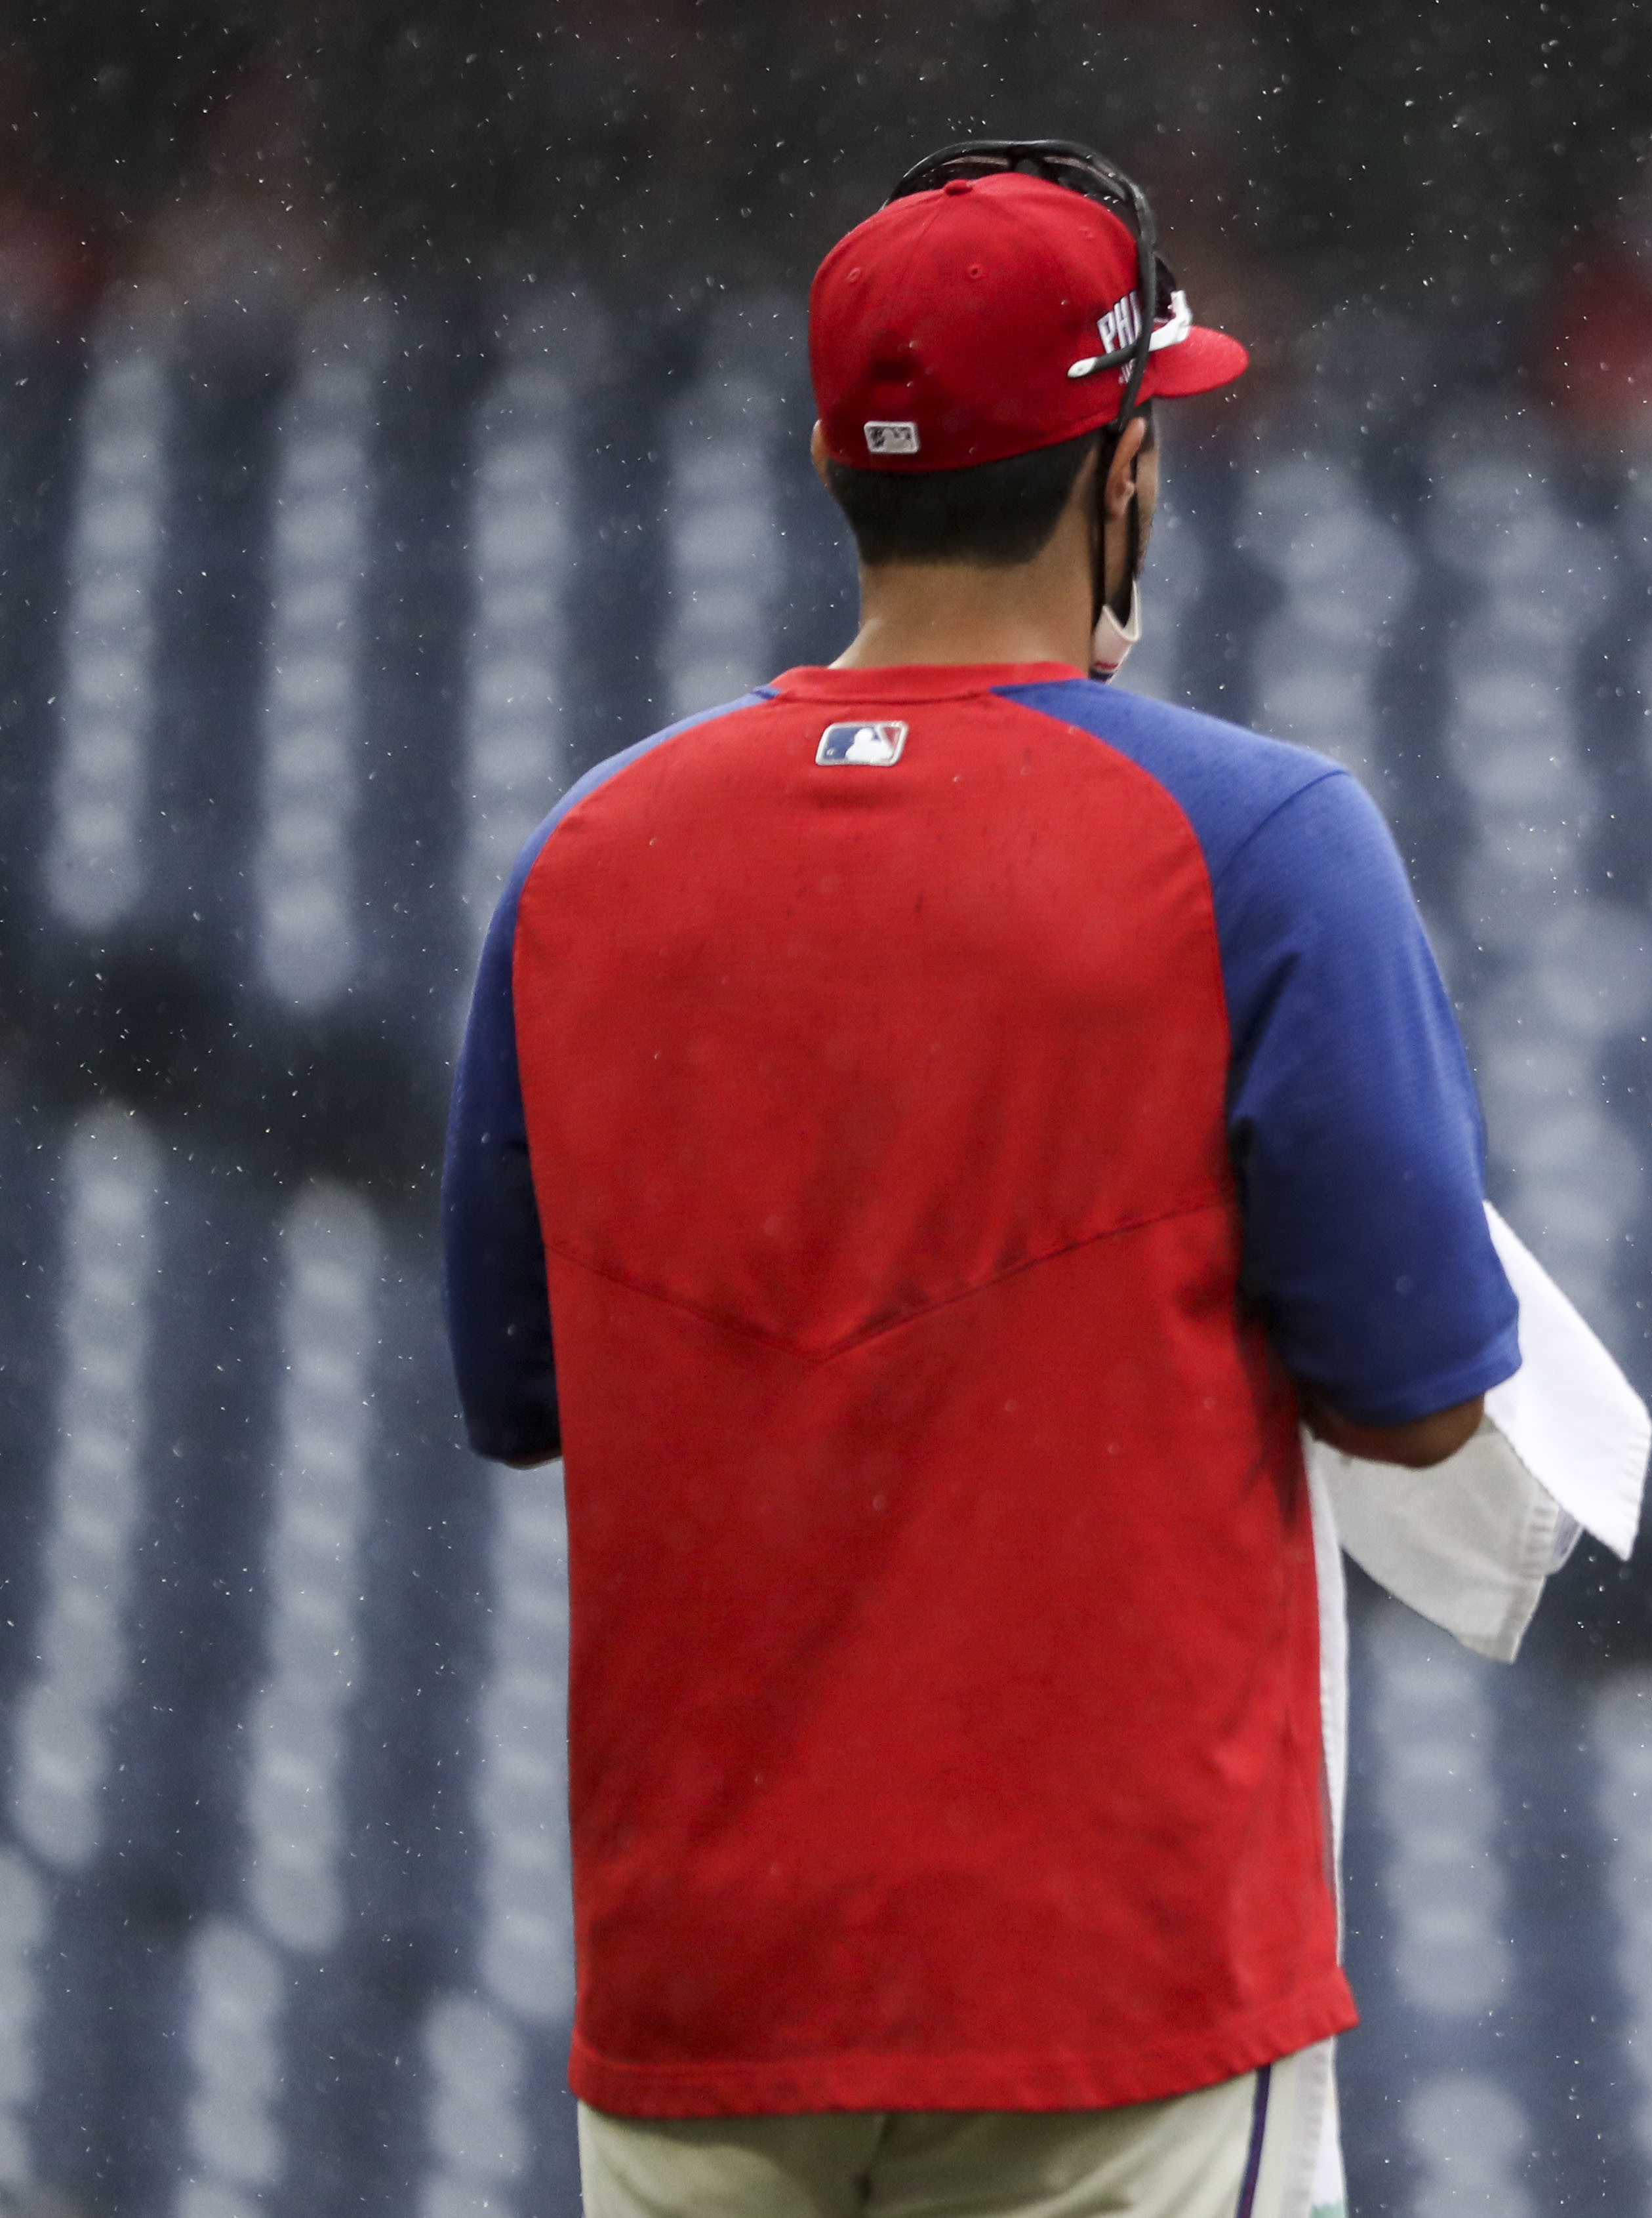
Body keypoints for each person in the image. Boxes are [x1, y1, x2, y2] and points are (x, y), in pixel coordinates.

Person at [441, 141, 1518, 2218]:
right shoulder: (1266, 837)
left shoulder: (589, 849)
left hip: (706, 1995)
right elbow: (1423, 1397)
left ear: (835, 460)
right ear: (1121, 473)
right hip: (1110, 1983)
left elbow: (515, 1388)